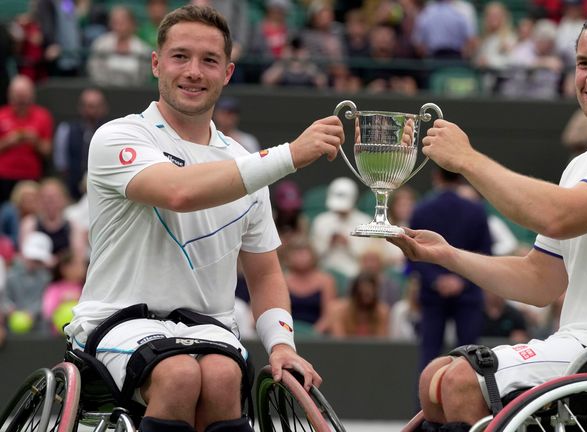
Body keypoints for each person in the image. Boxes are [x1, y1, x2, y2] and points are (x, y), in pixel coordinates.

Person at [388, 7, 587, 430]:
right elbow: (540, 280)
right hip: (582, 349)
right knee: (434, 379)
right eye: (584, 63)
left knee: (461, 382)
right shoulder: (580, 167)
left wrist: (467, 160)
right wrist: (448, 255)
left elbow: (557, 216)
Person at [63, 5, 344, 432]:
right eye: (180, 56)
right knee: (178, 374)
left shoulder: (247, 165)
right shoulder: (119, 136)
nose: (194, 71)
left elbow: (265, 273)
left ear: (227, 73)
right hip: (116, 321)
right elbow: (178, 191)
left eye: (209, 60)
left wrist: (282, 345)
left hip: (206, 329)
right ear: (156, 64)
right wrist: (289, 156)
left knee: (222, 376)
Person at [408, 167, 492, 372]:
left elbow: (412, 254)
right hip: (467, 290)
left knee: (429, 357)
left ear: (436, 177)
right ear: (460, 178)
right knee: (471, 359)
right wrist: (460, 280)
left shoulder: (420, 210)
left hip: (433, 293)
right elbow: (485, 252)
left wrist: (436, 280)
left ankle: (423, 404)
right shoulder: (476, 210)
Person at [0, 75, 53, 203]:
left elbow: (48, 151)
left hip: (31, 176)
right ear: (10, 96)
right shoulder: (1, 115)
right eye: (17, 97)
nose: (21, 101)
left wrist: (35, 141)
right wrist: (9, 141)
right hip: (3, 176)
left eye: (24, 97)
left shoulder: (43, 116)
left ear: (31, 96)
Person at [53, 87, 110, 200]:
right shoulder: (66, 130)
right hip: (72, 193)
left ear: (104, 108)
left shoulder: (112, 131)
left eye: (96, 106)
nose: (92, 111)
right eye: (88, 106)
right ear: (80, 108)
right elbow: (61, 165)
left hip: (103, 195)